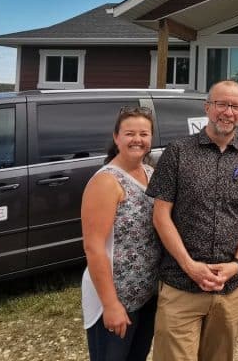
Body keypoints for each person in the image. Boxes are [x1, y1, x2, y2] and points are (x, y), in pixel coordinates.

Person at [147, 80, 238, 361]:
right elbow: (161, 214)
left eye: (235, 106)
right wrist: (189, 266)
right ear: (207, 108)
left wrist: (237, 262)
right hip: (181, 284)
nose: (227, 112)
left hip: (230, 286)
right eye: (221, 104)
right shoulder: (178, 152)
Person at [80, 106, 162, 361]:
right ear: (116, 137)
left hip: (146, 295)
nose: (137, 139)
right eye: (129, 133)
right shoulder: (105, 182)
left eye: (144, 133)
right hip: (116, 299)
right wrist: (111, 305)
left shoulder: (149, 173)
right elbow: (93, 247)